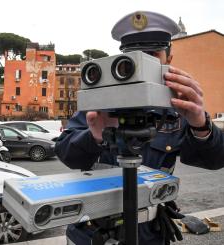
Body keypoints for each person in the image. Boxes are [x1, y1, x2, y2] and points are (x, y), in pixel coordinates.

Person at [55, 11, 224, 245]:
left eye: (153, 55)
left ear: (168, 60)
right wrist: (94, 135)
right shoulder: (100, 102)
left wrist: (201, 125)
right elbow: (66, 154)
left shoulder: (175, 107)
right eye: (136, 56)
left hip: (149, 232)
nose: (144, 64)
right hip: (92, 230)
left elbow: (215, 161)